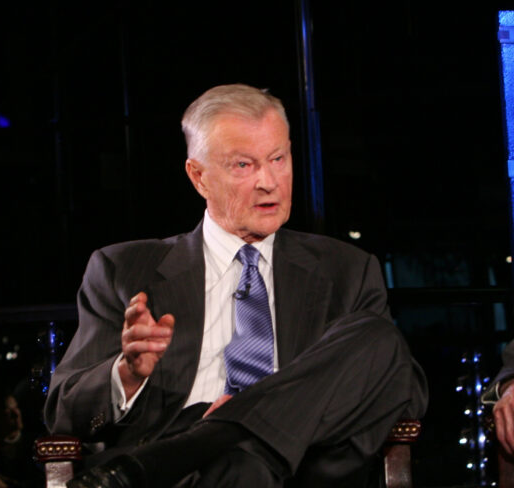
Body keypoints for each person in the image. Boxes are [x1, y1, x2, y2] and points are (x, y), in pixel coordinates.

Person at [43, 84, 428, 487]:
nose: (269, 182)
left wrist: (251, 416)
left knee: (380, 338)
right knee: (242, 466)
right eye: (244, 165)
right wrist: (126, 374)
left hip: (287, 467)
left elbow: (404, 391)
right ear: (199, 177)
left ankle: (215, 435)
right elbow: (64, 413)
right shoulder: (124, 269)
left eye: (278, 159)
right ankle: (214, 440)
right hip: (179, 471)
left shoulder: (346, 270)